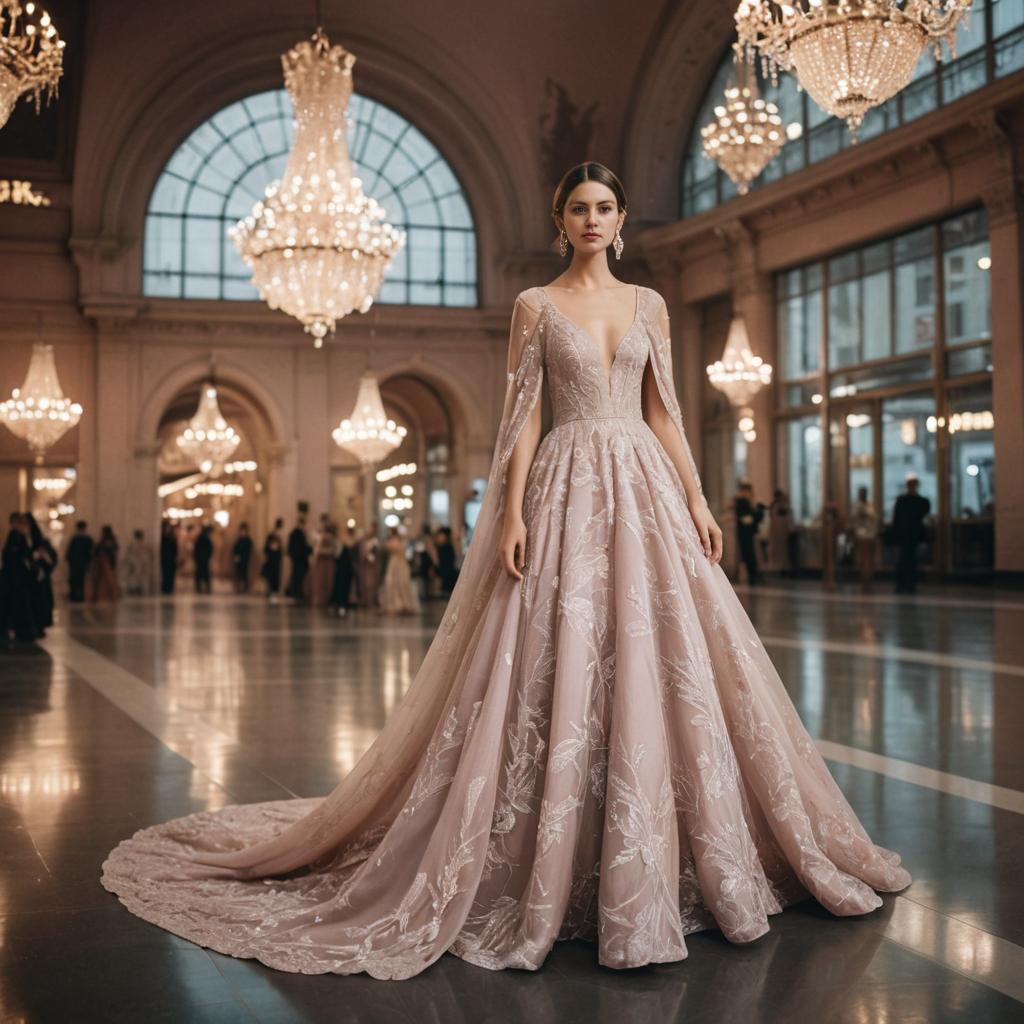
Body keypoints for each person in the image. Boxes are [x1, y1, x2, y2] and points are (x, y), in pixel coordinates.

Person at [102, 161, 910, 979]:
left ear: (621, 217)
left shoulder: (651, 306)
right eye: (577, 209)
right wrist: (512, 512)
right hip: (567, 481)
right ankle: (550, 849)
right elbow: (523, 422)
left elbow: (663, 410)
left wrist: (698, 499)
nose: (592, 220)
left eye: (604, 208)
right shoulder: (536, 306)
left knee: (665, 654)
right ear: (559, 221)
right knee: (556, 652)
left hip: (644, 485)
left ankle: (670, 848)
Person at [889, 473, 931, 594]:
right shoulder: (904, 500)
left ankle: (908, 584)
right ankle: (903, 584)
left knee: (910, 560)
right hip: (906, 535)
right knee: (904, 560)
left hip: (912, 535)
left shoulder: (920, 501)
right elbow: (897, 519)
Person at [1, 513, 39, 642]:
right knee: (18, 604)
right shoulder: (16, 535)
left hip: (15, 577)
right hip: (16, 577)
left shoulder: (17, 535)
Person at [378, 528, 421, 616]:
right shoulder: (395, 541)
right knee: (391, 583)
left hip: (399, 565)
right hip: (394, 564)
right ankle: (395, 604)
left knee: (401, 583)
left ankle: (402, 604)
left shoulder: (398, 541)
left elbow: (394, 549)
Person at [733, 479, 763, 585]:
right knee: (748, 553)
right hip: (744, 532)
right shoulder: (741, 501)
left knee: (752, 554)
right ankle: (752, 575)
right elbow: (744, 518)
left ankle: (754, 574)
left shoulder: (750, 502)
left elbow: (756, 518)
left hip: (750, 532)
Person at [848, 486, 878, 593]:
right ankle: (864, 580)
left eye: (864, 493)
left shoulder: (869, 505)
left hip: (870, 535)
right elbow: (853, 519)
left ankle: (868, 580)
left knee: (869, 559)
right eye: (861, 493)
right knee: (862, 559)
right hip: (861, 534)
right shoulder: (856, 506)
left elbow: (873, 518)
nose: (862, 495)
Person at [329, 525, 357, 617]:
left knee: (346, 585)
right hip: (341, 568)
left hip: (348, 567)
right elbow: (336, 554)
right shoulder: (338, 541)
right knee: (340, 585)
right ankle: (340, 603)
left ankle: (345, 602)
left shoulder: (345, 540)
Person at [310, 522, 338, 607]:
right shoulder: (325, 537)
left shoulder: (329, 538)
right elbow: (318, 550)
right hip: (323, 564)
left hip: (327, 563)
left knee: (326, 582)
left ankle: (324, 600)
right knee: (322, 583)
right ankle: (321, 600)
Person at [65, 520, 94, 603]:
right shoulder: (83, 539)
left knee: (75, 579)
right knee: (78, 580)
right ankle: (78, 596)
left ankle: (75, 596)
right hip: (80, 562)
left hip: (76, 562)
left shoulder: (77, 539)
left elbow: (70, 552)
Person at [286, 516, 311, 604]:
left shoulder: (295, 533)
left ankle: (297, 593)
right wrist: (310, 550)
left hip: (297, 559)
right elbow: (301, 548)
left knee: (297, 577)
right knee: (298, 577)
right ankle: (297, 593)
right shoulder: (298, 533)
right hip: (299, 559)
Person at [90, 525, 119, 602]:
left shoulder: (108, 541)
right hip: (103, 562)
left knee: (107, 580)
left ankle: (109, 596)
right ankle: (104, 596)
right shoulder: (106, 541)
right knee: (104, 580)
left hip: (106, 562)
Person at [121, 529, 154, 596]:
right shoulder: (133, 545)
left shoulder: (145, 546)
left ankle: (139, 591)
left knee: (140, 579)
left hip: (139, 565)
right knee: (136, 579)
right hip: (136, 565)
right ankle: (136, 590)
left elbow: (148, 556)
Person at [768, 488, 792, 576]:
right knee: (780, 552)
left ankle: (781, 568)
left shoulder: (776, 505)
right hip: (779, 531)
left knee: (781, 552)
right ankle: (780, 568)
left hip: (779, 531)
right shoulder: (778, 506)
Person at [260, 518, 284, 604]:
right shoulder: (271, 536)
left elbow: (281, 549)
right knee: (271, 577)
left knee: (276, 576)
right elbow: (265, 548)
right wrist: (272, 548)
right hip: (271, 559)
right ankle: (270, 593)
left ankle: (274, 593)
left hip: (277, 559)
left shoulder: (279, 536)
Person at [435, 526, 458, 595]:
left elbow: (450, 561)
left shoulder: (448, 547)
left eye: (441, 535)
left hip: (448, 571)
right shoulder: (440, 547)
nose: (439, 537)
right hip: (444, 571)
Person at [232, 524, 254, 593]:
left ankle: (245, 588)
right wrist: (236, 556)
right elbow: (235, 549)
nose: (242, 532)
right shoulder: (238, 540)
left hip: (245, 559)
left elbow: (249, 550)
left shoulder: (248, 540)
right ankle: (238, 588)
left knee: (244, 574)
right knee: (238, 573)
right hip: (238, 559)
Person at [193, 524, 213, 594]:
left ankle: (201, 587)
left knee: (202, 574)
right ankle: (202, 587)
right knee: (203, 574)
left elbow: (210, 549)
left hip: (202, 559)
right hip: (202, 559)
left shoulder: (202, 538)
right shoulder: (204, 538)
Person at [159, 521, 178, 595]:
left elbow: (175, 549)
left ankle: (170, 587)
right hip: (164, 559)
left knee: (171, 574)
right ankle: (165, 587)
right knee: (165, 573)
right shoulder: (162, 538)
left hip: (171, 559)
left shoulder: (172, 538)